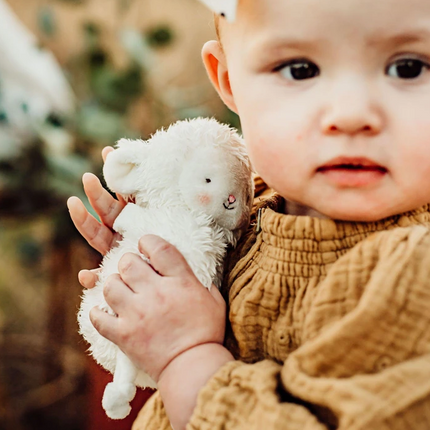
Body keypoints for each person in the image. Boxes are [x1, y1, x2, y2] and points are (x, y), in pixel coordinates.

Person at [67, 0, 430, 428]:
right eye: (300, 69)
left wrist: (185, 355)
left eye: (408, 67)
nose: (351, 115)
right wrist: (177, 270)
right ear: (228, 80)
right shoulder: (246, 212)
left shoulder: (417, 275)